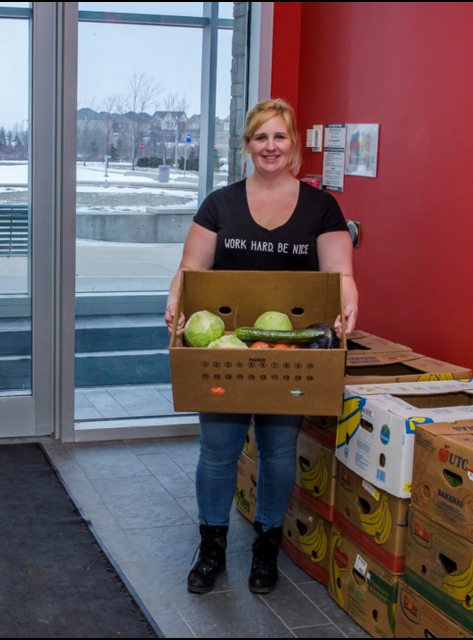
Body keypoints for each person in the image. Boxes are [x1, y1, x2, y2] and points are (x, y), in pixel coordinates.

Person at [164, 98, 358, 595]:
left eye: (280, 137)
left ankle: (266, 546)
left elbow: (340, 273)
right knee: (217, 451)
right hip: (225, 350)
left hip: (289, 357)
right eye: (260, 137)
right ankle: (211, 547)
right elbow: (191, 268)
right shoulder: (220, 203)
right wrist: (176, 300)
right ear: (248, 144)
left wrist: (348, 300)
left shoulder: (322, 207)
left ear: (293, 144)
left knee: (277, 451)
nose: (270, 147)